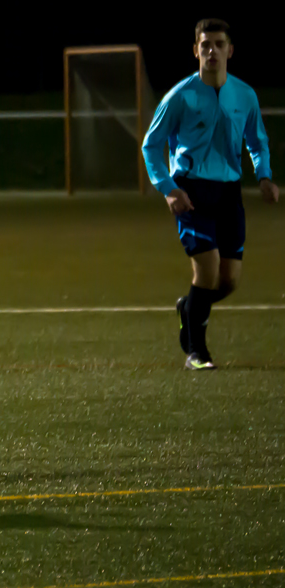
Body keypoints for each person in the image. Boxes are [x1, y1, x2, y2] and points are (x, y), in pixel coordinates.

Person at [142, 18, 279, 370]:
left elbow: (258, 142)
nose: (212, 51)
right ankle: (196, 353)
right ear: (196, 50)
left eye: (219, 44)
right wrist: (169, 189)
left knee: (229, 281)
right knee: (207, 270)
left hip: (229, 193)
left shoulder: (244, 95)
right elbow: (151, 146)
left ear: (230, 50)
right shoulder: (180, 97)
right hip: (191, 191)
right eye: (205, 45)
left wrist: (264, 177)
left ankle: (189, 307)